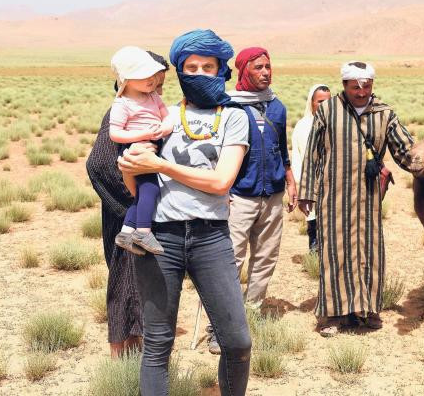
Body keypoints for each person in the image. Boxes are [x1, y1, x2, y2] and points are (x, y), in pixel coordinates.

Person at [118, 29, 252, 396]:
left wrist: (160, 165)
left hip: (212, 237)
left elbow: (221, 181)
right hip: (161, 236)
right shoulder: (159, 116)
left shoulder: (235, 117)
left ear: (221, 69)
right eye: (190, 67)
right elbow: (138, 186)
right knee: (158, 344)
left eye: (208, 66)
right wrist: (133, 170)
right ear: (178, 70)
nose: (199, 73)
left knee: (238, 342)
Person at [297, 61, 415, 337]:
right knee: (334, 251)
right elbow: (313, 153)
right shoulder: (328, 110)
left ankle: (367, 309)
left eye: (367, 86)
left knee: (368, 250)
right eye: (355, 87)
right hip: (333, 195)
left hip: (368, 197)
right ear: (345, 86)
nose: (362, 92)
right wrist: (306, 191)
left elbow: (404, 149)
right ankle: (334, 315)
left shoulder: (384, 114)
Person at [85, 50, 168, 358]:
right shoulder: (120, 115)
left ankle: (138, 353)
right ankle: (121, 358)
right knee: (124, 283)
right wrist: (134, 205)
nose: (158, 84)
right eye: (153, 77)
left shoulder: (148, 109)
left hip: (136, 215)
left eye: (160, 79)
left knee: (139, 285)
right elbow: (100, 165)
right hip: (126, 216)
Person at [226, 47, 297, 314]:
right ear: (244, 70)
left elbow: (281, 147)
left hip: (273, 193)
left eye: (268, 66)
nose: (266, 72)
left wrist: (290, 180)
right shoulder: (229, 104)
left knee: (266, 256)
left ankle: (252, 312)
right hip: (239, 194)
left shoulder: (277, 106)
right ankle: (224, 320)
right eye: (258, 67)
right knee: (232, 258)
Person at [109, 46, 175, 255]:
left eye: (152, 75)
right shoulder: (122, 104)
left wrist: (164, 128)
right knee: (150, 190)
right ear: (126, 79)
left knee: (144, 192)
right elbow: (115, 134)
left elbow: (167, 117)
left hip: (150, 145)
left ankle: (127, 232)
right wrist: (142, 135)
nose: (151, 80)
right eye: (143, 75)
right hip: (136, 149)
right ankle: (143, 231)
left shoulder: (153, 97)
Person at [291, 84, 331, 252]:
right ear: (312, 103)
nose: (324, 105)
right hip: (312, 186)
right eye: (320, 101)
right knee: (314, 225)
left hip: (334, 186)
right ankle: (315, 260)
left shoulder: (338, 125)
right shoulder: (303, 126)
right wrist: (305, 186)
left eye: (328, 101)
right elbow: (298, 158)